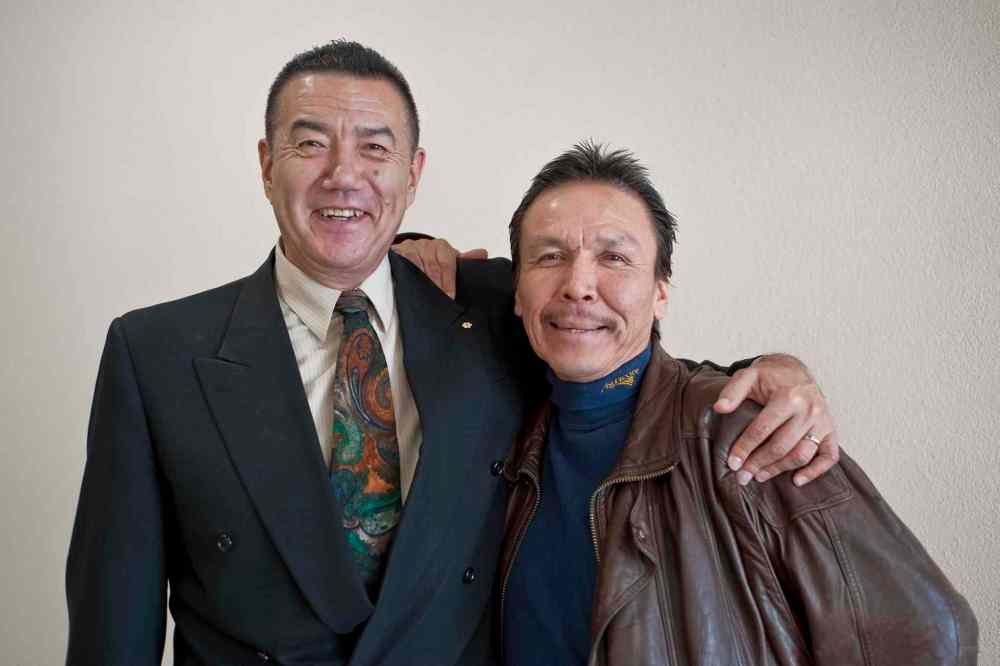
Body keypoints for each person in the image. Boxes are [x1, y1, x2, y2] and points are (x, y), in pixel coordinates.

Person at [67, 41, 838, 665]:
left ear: (413, 174)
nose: (345, 173)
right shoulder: (155, 352)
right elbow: (114, 621)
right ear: (267, 163)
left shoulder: (493, 309)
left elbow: (624, 355)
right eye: (311, 143)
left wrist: (767, 377)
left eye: (376, 147)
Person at [498, 141, 978, 666]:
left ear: (660, 291)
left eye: (614, 257)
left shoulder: (742, 430)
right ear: (517, 290)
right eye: (549, 257)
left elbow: (930, 638)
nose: (578, 285)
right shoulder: (511, 436)